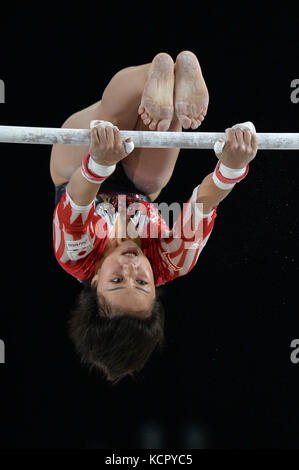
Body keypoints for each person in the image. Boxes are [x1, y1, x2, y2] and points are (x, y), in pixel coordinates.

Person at [50, 51, 258, 383]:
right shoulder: (172, 262)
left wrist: (100, 162)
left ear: (92, 285)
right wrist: (233, 164)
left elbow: (77, 198)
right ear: (156, 288)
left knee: (110, 118)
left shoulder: (74, 256)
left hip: (77, 170)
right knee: (166, 119)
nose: (132, 268)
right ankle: (171, 84)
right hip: (138, 184)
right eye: (142, 283)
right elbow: (203, 203)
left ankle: (152, 73)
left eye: (117, 281)